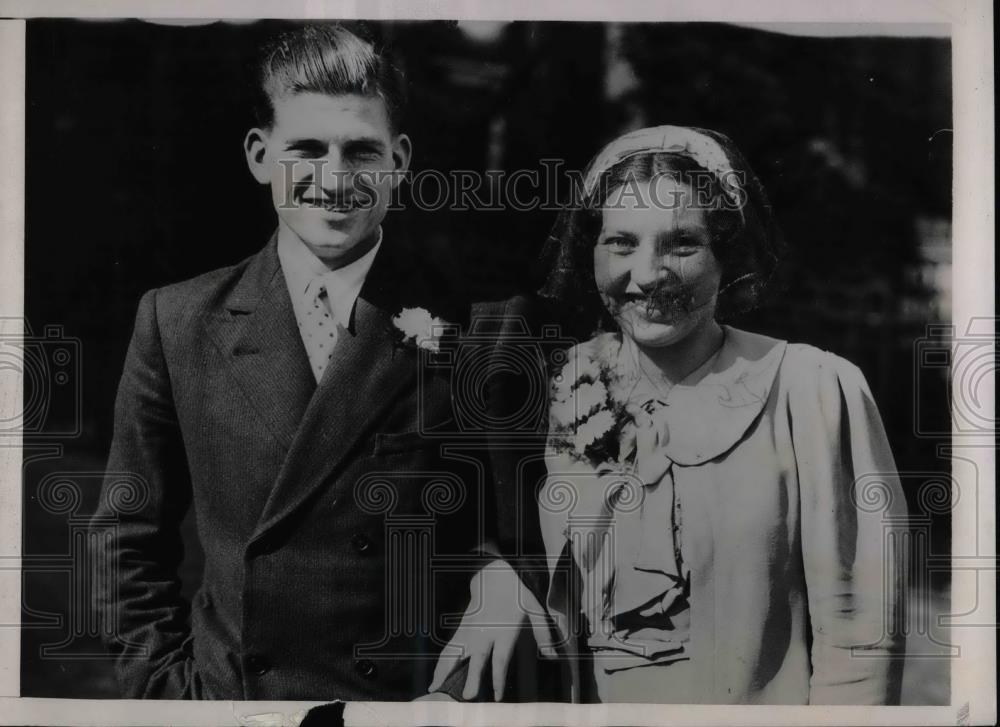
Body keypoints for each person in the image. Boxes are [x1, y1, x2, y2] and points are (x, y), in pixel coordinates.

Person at [91, 23, 563, 701]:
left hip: (410, 705)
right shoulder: (178, 321)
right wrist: (166, 691)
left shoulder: (483, 321)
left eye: (362, 152)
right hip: (237, 704)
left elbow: (532, 528)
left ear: (399, 160)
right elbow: (126, 536)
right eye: (307, 149)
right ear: (259, 154)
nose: (335, 179)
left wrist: (506, 576)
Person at [534, 125, 908, 704]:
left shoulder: (810, 390)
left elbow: (862, 632)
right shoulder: (558, 389)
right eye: (621, 242)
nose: (648, 274)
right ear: (590, 250)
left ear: (725, 255)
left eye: (682, 243)